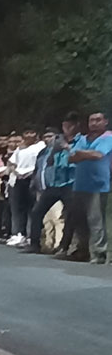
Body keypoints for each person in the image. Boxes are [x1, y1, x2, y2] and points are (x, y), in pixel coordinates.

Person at [62, 111, 112, 263]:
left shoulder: (108, 137)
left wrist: (77, 152)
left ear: (106, 122)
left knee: (96, 220)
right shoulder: (83, 138)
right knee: (79, 220)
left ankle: (99, 253)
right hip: (80, 184)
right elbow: (70, 158)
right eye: (91, 120)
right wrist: (80, 153)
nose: (94, 123)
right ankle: (82, 251)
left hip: (99, 185)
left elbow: (98, 155)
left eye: (98, 120)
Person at [26, 122, 74, 254]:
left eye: (52, 136)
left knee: (67, 215)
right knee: (36, 212)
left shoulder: (67, 147)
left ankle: (63, 246)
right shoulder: (43, 152)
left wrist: (65, 148)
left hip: (68, 185)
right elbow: (40, 169)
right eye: (46, 136)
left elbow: (71, 164)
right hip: (51, 186)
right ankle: (34, 244)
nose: (49, 139)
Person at [6, 128, 45, 246]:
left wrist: (31, 173)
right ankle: (18, 233)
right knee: (17, 208)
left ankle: (30, 235)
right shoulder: (20, 148)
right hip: (17, 179)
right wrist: (14, 171)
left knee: (31, 208)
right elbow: (11, 162)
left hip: (31, 178)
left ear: (37, 134)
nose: (29, 135)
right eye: (26, 133)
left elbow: (40, 163)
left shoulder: (40, 146)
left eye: (31, 132)